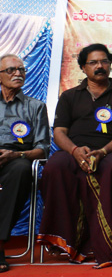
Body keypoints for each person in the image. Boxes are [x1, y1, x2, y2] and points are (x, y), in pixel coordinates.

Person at [37, 44, 112, 269]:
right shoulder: (69, 96)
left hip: (109, 152)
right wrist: (74, 151)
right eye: (93, 62)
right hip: (73, 151)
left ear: (110, 64)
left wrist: (102, 152)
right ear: (83, 68)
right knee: (54, 167)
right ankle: (66, 240)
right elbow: (59, 132)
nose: (100, 66)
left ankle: (102, 245)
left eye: (104, 61)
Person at [0, 54, 49, 273]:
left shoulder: (35, 107)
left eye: (21, 69)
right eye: (11, 70)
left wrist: (16, 156)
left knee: (21, 171)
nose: (18, 73)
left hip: (17, 159)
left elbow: (43, 149)